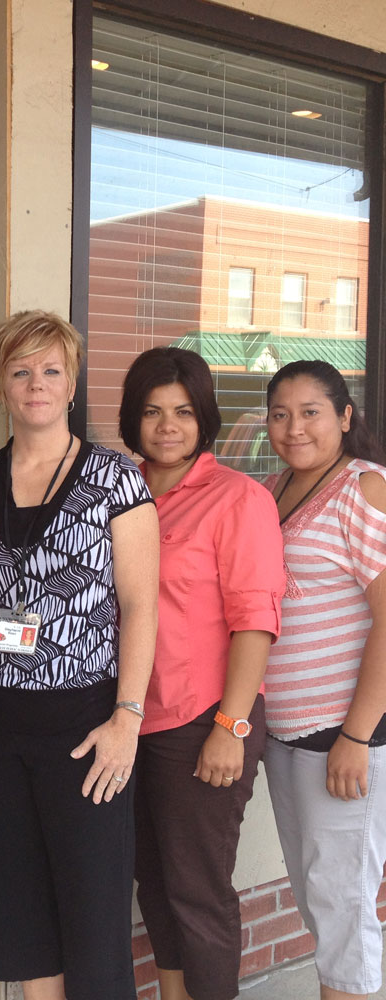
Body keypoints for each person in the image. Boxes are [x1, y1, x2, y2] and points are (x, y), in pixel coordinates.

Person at [0, 310, 159, 1000]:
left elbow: (141, 606)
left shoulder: (117, 482)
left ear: (71, 382)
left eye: (51, 370)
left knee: (92, 916)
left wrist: (127, 717)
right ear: (0, 386)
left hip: (83, 726)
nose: (36, 383)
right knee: (18, 908)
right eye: (20, 371)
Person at [118, 348, 285, 1000]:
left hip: (203, 720)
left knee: (197, 887)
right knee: (153, 880)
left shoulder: (236, 498)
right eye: (153, 411)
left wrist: (231, 725)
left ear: (204, 417)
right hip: (130, 718)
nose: (167, 426)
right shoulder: (118, 494)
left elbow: (256, 620)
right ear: (133, 417)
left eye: (184, 412)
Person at [262, 360, 386, 1000]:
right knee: (319, 902)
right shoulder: (278, 486)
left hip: (343, 738)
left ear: (343, 416)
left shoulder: (363, 490)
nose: (294, 427)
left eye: (311, 412)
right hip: (285, 736)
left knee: (343, 913)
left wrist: (356, 736)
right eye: (280, 414)